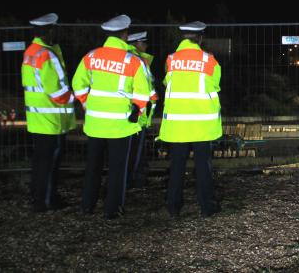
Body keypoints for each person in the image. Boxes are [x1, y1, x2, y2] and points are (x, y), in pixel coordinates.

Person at [72, 15, 152, 219]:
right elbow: (143, 93)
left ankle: (87, 205)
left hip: (95, 123)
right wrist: (137, 111)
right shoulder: (133, 61)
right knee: (118, 169)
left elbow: (78, 85)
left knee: (93, 166)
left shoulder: (91, 56)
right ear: (125, 34)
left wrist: (87, 104)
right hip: (120, 125)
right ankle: (112, 209)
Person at [159, 21, 223, 218]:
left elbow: (166, 82)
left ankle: (173, 207)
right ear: (200, 38)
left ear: (183, 38)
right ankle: (206, 207)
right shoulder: (210, 60)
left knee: (177, 166)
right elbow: (215, 84)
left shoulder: (171, 59)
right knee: (203, 166)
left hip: (177, 124)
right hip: (201, 125)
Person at [21, 13, 76, 212]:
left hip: (37, 117)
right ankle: (46, 201)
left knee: (39, 161)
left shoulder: (31, 52)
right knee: (49, 163)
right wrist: (74, 99)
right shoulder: (47, 55)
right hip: (52, 118)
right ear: (50, 31)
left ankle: (37, 196)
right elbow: (58, 92)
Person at [126, 31, 158, 189]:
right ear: (135, 44)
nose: (146, 46)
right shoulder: (137, 60)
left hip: (136, 113)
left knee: (133, 150)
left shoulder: (135, 59)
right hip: (136, 115)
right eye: (143, 43)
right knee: (134, 151)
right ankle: (133, 180)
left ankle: (134, 179)